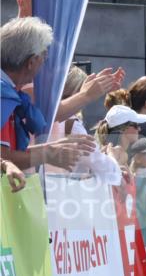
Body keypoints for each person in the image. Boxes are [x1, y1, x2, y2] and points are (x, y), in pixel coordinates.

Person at [1, 17, 95, 170]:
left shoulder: (7, 92)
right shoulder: (3, 96)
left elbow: (7, 154)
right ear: (31, 62)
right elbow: (4, 158)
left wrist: (50, 149)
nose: (43, 65)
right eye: (43, 58)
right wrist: (47, 153)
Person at [98, 104, 146, 171]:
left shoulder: (119, 154)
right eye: (136, 125)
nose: (139, 129)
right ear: (123, 129)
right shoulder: (113, 156)